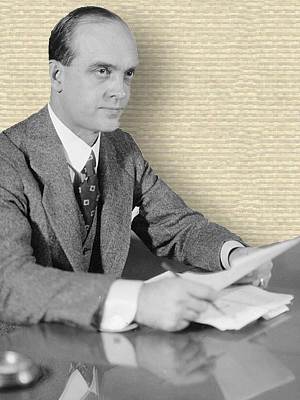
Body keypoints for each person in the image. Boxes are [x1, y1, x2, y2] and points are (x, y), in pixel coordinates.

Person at [0, 6, 271, 332]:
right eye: (102, 71)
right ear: (57, 75)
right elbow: (9, 280)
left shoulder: (122, 148)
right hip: (23, 361)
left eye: (128, 73)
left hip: (100, 357)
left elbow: (175, 226)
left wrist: (235, 257)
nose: (121, 91)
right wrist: (137, 300)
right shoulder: (7, 158)